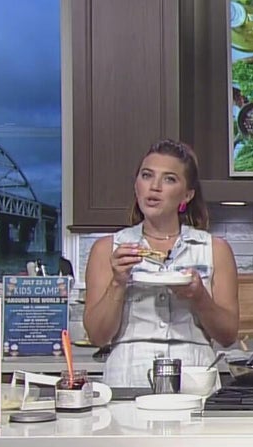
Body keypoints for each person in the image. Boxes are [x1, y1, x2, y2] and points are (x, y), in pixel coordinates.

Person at [83, 139, 239, 387]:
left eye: (169, 179)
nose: (154, 187)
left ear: (187, 195)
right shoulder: (107, 249)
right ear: (136, 185)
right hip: (128, 376)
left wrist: (200, 297)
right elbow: (97, 337)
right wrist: (118, 283)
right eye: (147, 176)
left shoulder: (215, 250)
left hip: (194, 376)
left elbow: (228, 335)